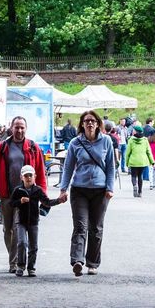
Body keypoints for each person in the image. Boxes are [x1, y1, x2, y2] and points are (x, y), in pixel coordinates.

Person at [56, 109, 116, 276]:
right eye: (86, 121)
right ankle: (77, 261)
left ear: (98, 124)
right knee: (80, 226)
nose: (90, 123)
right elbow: (68, 167)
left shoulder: (106, 142)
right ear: (82, 124)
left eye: (93, 121)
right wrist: (63, 189)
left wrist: (110, 188)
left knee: (96, 228)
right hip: (79, 190)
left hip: (100, 191)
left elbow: (111, 166)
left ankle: (93, 263)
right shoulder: (76, 142)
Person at [0, 116, 47, 274]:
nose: (19, 130)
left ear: (26, 129)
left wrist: (43, 196)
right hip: (7, 195)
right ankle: (14, 257)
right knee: (8, 229)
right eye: (16, 127)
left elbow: (40, 173)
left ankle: (15, 263)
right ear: (11, 128)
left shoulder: (33, 147)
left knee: (16, 227)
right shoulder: (2, 147)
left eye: (22, 127)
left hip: (26, 198)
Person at [8, 165, 61, 276]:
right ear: (21, 177)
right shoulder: (18, 190)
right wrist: (20, 201)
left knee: (33, 246)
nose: (28, 178)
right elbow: (11, 203)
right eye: (26, 176)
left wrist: (59, 200)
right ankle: (20, 266)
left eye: (30, 175)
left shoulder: (37, 190)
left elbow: (47, 202)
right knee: (22, 242)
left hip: (33, 221)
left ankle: (31, 267)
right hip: (21, 221)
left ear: (34, 177)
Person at [124, 125, 154, 197]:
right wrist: (151, 161)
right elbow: (148, 151)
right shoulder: (145, 140)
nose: (133, 131)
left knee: (133, 176)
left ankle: (134, 186)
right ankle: (140, 192)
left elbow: (128, 152)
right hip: (142, 161)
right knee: (140, 176)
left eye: (134, 130)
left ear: (136, 131)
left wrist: (127, 162)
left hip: (133, 161)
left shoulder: (131, 140)